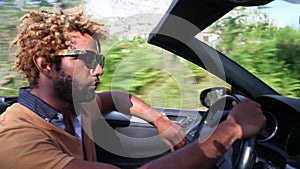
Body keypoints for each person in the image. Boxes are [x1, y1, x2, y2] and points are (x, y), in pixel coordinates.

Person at [0, 6, 266, 169]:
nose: (100, 70)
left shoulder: (75, 107)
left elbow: (118, 98)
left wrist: (160, 121)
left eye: (100, 60)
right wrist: (230, 130)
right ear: (46, 64)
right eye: (88, 60)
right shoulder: (16, 140)